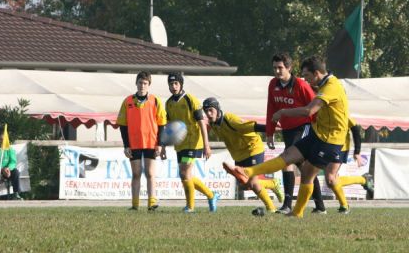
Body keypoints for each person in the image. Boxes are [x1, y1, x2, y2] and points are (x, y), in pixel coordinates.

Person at [224, 56, 349, 218]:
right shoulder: (323, 84)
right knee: (288, 156)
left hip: (330, 140)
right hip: (318, 134)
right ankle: (247, 171)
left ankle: (302, 211)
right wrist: (270, 130)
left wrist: (283, 112)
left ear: (317, 73)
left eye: (308, 76)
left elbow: (309, 111)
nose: (306, 79)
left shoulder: (331, 87)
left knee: (309, 174)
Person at [265, 52, 327, 215]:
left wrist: (317, 129)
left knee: (288, 159)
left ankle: (287, 204)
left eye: (280, 68)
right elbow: (271, 108)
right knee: (305, 166)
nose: (277, 71)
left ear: (289, 68)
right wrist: (270, 132)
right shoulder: (273, 84)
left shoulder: (300, 84)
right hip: (287, 130)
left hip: (304, 127)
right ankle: (320, 206)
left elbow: (315, 106)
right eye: (274, 68)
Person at [203, 97, 284, 216]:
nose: (209, 114)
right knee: (244, 185)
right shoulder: (214, 124)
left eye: (211, 110)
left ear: (217, 109)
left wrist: (273, 129)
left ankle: (271, 208)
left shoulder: (230, 120)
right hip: (239, 155)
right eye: (206, 111)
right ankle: (272, 183)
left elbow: (253, 126)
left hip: (253, 149)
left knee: (253, 183)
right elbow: (205, 128)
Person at [161, 72, 219, 213]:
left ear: (181, 84)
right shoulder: (168, 103)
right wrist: (162, 146)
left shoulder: (190, 100)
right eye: (171, 84)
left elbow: (202, 123)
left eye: (176, 83)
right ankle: (211, 195)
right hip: (180, 143)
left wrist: (207, 145)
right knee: (185, 175)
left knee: (185, 172)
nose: (173, 86)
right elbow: (168, 127)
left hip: (193, 142)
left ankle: (190, 207)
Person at [117, 71, 167, 211]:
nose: (142, 86)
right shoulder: (128, 101)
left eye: (145, 83)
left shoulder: (155, 101)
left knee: (150, 173)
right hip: (134, 143)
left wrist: (160, 144)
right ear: (136, 83)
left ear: (149, 85)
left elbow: (162, 123)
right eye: (140, 82)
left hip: (151, 142)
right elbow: (123, 125)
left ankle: (152, 202)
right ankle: (135, 205)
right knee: (136, 173)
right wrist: (126, 145)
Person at [333, 119, 374, 214]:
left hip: (340, 148)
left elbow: (355, 130)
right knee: (332, 179)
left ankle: (344, 206)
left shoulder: (341, 110)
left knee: (331, 178)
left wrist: (357, 152)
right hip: (324, 146)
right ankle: (363, 180)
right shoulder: (318, 110)